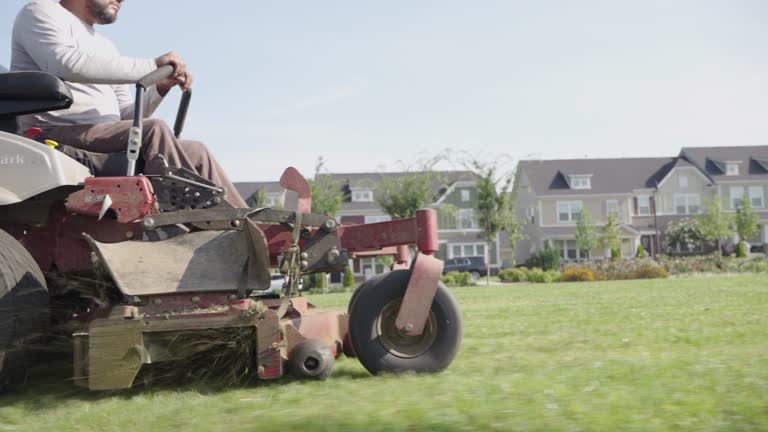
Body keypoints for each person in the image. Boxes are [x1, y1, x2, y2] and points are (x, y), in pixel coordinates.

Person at [10, 0, 248, 208]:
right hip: (50, 134)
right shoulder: (41, 11)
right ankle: (188, 215)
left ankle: (247, 222)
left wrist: (159, 88)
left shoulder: (105, 46)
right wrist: (151, 66)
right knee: (154, 129)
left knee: (196, 150)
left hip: (101, 136)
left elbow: (126, 115)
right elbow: (67, 64)